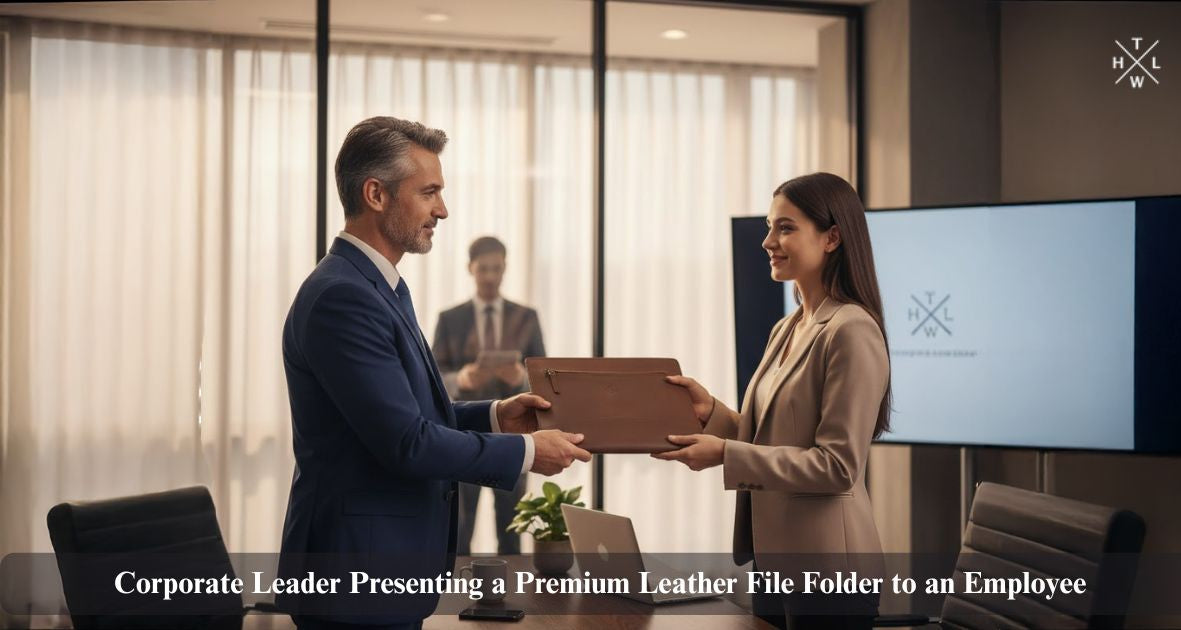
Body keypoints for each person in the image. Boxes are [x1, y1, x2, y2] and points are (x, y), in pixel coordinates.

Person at [279, 117, 590, 630]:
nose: (442, 210)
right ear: (376, 194)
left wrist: (495, 416)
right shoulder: (344, 297)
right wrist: (530, 451)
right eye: (429, 193)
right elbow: (406, 442)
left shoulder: (378, 288)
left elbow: (410, 412)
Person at [654, 172, 891, 630]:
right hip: (777, 562)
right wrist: (714, 415)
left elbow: (837, 466)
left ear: (832, 238)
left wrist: (725, 453)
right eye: (769, 227)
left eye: (785, 228)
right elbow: (775, 435)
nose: (768, 241)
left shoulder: (851, 329)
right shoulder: (788, 327)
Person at [432, 236, 545, 556]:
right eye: (484, 269)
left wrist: (521, 377)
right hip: (464, 435)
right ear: (471, 269)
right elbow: (433, 376)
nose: (491, 276)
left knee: (511, 526)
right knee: (460, 526)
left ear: (505, 268)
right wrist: (462, 378)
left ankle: (511, 599)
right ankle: (456, 599)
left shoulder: (527, 317)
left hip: (513, 436)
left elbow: (544, 379)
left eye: (497, 269)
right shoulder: (450, 319)